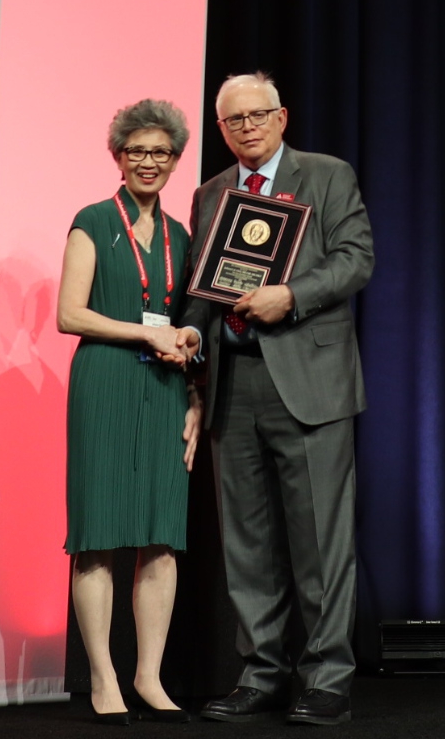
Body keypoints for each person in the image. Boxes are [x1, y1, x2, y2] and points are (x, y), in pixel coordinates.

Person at [178, 73, 373, 728]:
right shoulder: (210, 194)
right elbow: (202, 294)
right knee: (247, 545)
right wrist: (189, 356)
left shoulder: (326, 175)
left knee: (321, 543)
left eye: (259, 115)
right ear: (222, 129)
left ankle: (327, 680)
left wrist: (290, 296)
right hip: (235, 387)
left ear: (283, 117)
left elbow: (356, 260)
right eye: (235, 121)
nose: (248, 127)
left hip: (310, 386)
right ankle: (260, 673)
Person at [59, 98, 205, 724]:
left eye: (161, 153)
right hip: (107, 384)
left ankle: (149, 676)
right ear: (118, 157)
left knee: (160, 539)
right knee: (98, 539)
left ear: (175, 161)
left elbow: (190, 324)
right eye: (136, 151)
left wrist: (195, 380)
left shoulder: (180, 236)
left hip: (166, 390)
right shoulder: (92, 220)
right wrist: (146, 334)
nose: (148, 162)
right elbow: (71, 313)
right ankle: (103, 677)